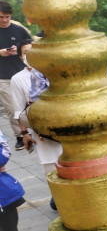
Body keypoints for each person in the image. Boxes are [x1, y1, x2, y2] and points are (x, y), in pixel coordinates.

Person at [11, 43, 62, 210]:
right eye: (26, 52)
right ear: (20, 57)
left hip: (64, 124)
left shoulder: (52, 69)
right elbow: (19, 110)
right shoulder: (18, 79)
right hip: (41, 131)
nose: (30, 55)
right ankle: (59, 199)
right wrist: (24, 133)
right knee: (50, 165)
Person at [0, 1, 32, 149]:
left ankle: (34, 130)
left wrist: (18, 51)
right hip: (3, 77)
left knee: (30, 103)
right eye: (1, 17)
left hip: (23, 72)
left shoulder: (19, 30)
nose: (4, 20)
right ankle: (20, 135)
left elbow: (30, 46)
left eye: (7, 17)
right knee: (12, 108)